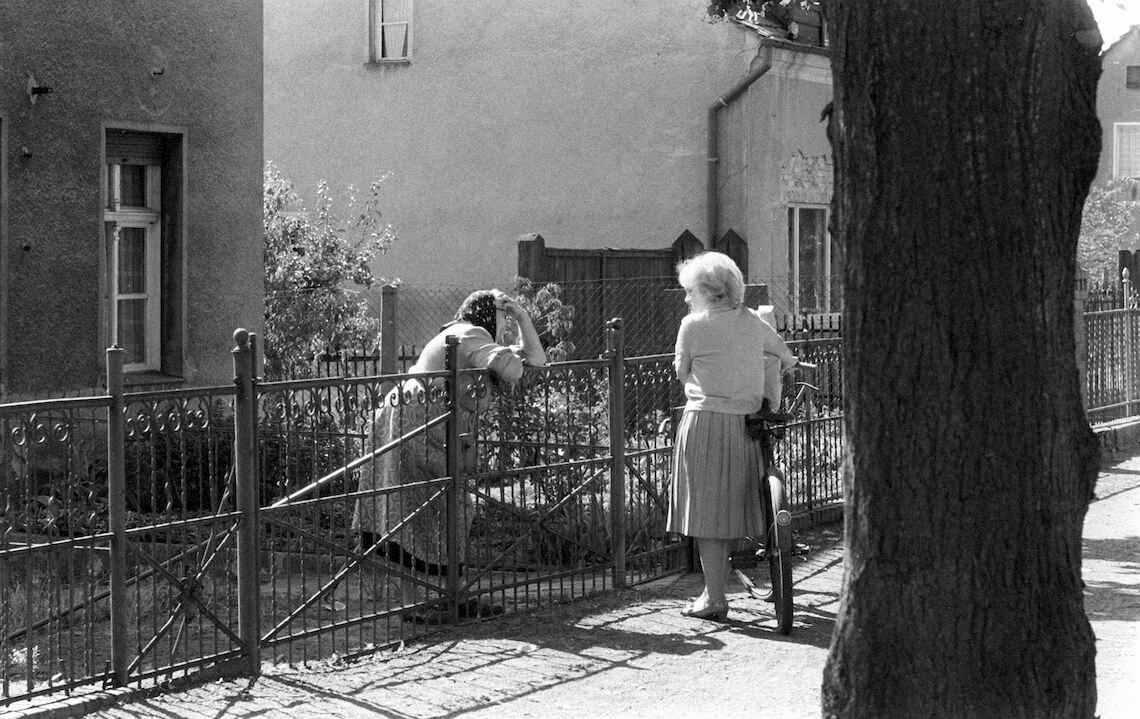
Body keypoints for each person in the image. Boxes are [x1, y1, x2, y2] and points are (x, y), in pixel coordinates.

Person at [353, 288, 547, 621]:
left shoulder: (475, 340)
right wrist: (516, 321)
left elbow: (536, 359)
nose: (505, 323)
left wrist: (522, 317)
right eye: (504, 315)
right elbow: (513, 370)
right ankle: (422, 604)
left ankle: (448, 597)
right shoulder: (469, 334)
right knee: (417, 509)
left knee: (442, 508)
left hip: (427, 426)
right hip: (415, 424)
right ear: (489, 314)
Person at [667, 252, 796, 620]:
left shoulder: (691, 325)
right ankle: (727, 589)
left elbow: (681, 371)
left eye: (690, 290)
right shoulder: (752, 321)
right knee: (734, 506)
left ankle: (715, 598)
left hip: (705, 424)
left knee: (708, 514)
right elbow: (783, 354)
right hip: (745, 426)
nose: (687, 297)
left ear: (707, 291)